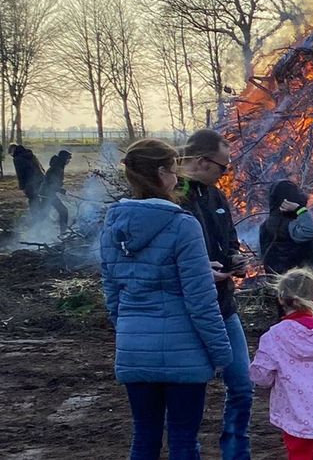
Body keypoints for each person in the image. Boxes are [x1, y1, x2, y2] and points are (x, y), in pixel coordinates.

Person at [99, 138, 233, 459]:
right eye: (173, 169)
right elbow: (201, 301)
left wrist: (130, 332)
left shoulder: (112, 226)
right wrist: (221, 354)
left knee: (144, 437)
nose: (177, 176)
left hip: (134, 351)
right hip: (184, 354)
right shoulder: (183, 226)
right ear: (161, 173)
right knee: (184, 441)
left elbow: (112, 294)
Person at [177, 129, 253, 460]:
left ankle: (236, 454)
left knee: (242, 385)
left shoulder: (216, 197)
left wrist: (236, 258)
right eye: (223, 167)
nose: (225, 174)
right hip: (187, 311)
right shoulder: (174, 196)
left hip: (223, 305)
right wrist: (199, 271)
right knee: (188, 395)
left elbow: (230, 239)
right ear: (200, 161)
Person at [250, 268, 313, 460]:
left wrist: (274, 378)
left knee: (300, 455)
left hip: (294, 411)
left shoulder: (274, 337)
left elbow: (260, 376)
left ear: (281, 298)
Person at [258, 180, 313, 277]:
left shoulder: (265, 226)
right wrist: (300, 210)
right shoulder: (288, 224)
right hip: (302, 283)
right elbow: (312, 230)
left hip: (283, 283)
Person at [40, 150, 72, 235]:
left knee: (43, 214)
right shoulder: (57, 168)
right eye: (68, 158)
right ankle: (63, 233)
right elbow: (51, 184)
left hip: (46, 193)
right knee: (63, 211)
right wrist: (60, 190)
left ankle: (35, 230)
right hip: (47, 194)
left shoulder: (58, 166)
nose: (69, 161)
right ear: (64, 158)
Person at [11, 144, 45, 211]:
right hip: (40, 178)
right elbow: (40, 167)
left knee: (32, 199)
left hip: (30, 182)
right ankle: (43, 215)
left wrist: (22, 186)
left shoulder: (17, 159)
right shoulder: (31, 155)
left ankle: (35, 217)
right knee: (38, 197)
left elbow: (20, 174)